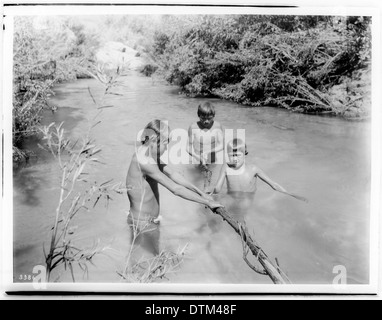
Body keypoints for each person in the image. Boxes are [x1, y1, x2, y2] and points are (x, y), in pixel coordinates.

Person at [126, 119, 223, 261]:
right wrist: (207, 203)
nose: (167, 148)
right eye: (166, 143)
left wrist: (201, 193)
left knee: (148, 260)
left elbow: (173, 174)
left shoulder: (149, 155)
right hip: (143, 224)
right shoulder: (144, 161)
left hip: (147, 222)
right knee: (147, 261)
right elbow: (175, 189)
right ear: (154, 140)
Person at [186, 102, 224, 192]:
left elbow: (222, 145)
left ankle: (209, 200)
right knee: (196, 183)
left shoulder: (217, 126)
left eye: (209, 118)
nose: (206, 121)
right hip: (197, 160)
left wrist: (209, 152)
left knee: (210, 185)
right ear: (198, 115)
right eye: (203, 118)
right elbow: (188, 147)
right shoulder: (193, 127)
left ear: (213, 116)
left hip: (212, 160)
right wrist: (198, 157)